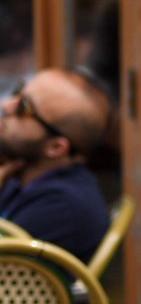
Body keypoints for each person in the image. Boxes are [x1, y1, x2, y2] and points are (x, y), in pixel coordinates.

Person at [0, 66, 111, 262]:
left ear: (55, 147)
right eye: (18, 91)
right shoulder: (23, 175)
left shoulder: (62, 209)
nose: (7, 105)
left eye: (23, 107)